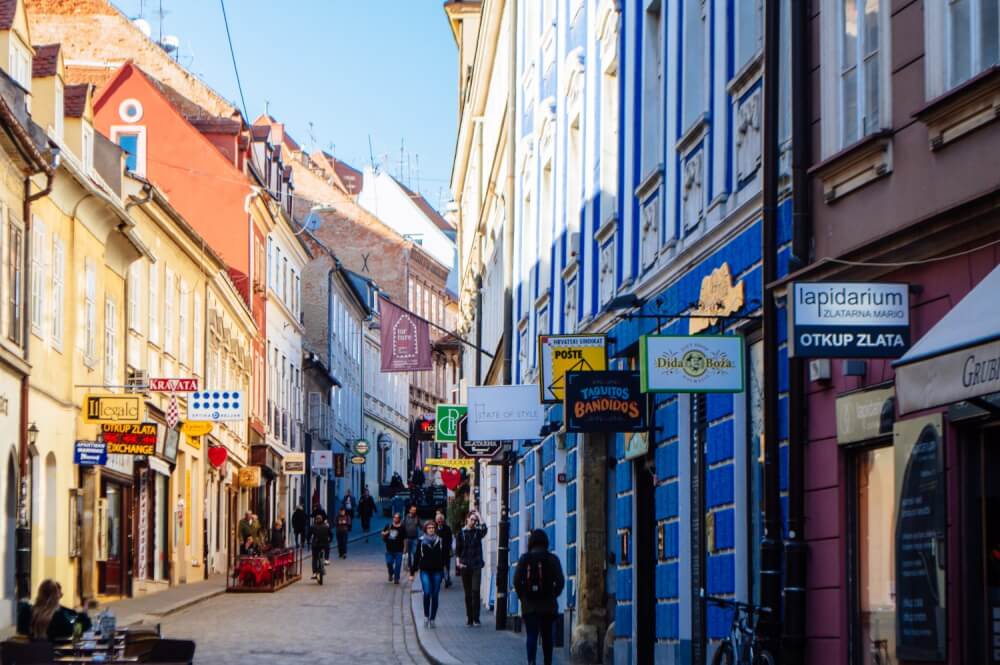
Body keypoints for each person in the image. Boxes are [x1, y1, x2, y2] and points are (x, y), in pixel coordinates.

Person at [513, 529, 566, 665]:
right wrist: (553, 594)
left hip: (530, 606)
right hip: (548, 606)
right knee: (547, 636)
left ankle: (531, 661)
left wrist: (522, 597)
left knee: (531, 635)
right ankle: (547, 662)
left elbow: (516, 580)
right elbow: (560, 581)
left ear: (531, 542)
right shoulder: (552, 559)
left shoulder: (525, 559)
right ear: (545, 542)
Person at [17, 580, 92, 641]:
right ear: (55, 597)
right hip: (52, 657)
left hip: (29, 656)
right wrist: (83, 616)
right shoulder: (57, 617)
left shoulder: (27, 613)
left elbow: (20, 630)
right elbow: (74, 633)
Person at [455, 510, 488, 626]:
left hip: (476, 565)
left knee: (475, 591)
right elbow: (458, 551)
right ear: (467, 519)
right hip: (465, 565)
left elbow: (485, 529)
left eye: (475, 520)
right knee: (468, 593)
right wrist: (458, 563)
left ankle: (476, 618)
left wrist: (479, 514)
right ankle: (469, 618)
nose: (474, 522)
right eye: (472, 519)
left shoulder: (477, 532)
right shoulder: (461, 534)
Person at [413, 520, 446, 629]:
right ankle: (426, 616)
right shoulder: (421, 541)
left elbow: (444, 556)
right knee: (427, 592)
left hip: (437, 571)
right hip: (425, 570)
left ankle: (432, 619)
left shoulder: (439, 540)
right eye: (429, 528)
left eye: (433, 528)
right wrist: (412, 572)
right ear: (426, 530)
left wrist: (444, 571)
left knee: (435, 594)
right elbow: (417, 556)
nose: (431, 529)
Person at [382, 513, 406, 584]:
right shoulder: (388, 525)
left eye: (397, 518)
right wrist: (386, 533)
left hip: (399, 549)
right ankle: (391, 573)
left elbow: (405, 538)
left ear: (399, 519)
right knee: (389, 562)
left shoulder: (402, 527)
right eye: (394, 518)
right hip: (389, 549)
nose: (395, 519)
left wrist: (405, 548)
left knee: (398, 565)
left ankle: (396, 578)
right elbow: (382, 533)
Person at [434, 511, 454, 588]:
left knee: (446, 566)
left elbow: (450, 539)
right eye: (438, 519)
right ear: (436, 521)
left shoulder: (447, 528)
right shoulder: (434, 529)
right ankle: (440, 579)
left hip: (445, 551)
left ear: (443, 520)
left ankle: (447, 579)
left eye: (441, 519)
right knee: (438, 566)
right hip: (437, 552)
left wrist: (449, 546)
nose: (439, 521)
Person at [403, 505, 422, 580]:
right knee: (409, 555)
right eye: (413, 510)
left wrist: (426, 529)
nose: (414, 511)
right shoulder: (406, 518)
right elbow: (402, 526)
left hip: (415, 539)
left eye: (415, 510)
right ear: (410, 510)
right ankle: (410, 566)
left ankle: (413, 567)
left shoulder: (417, 518)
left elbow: (421, 526)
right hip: (407, 538)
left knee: (414, 553)